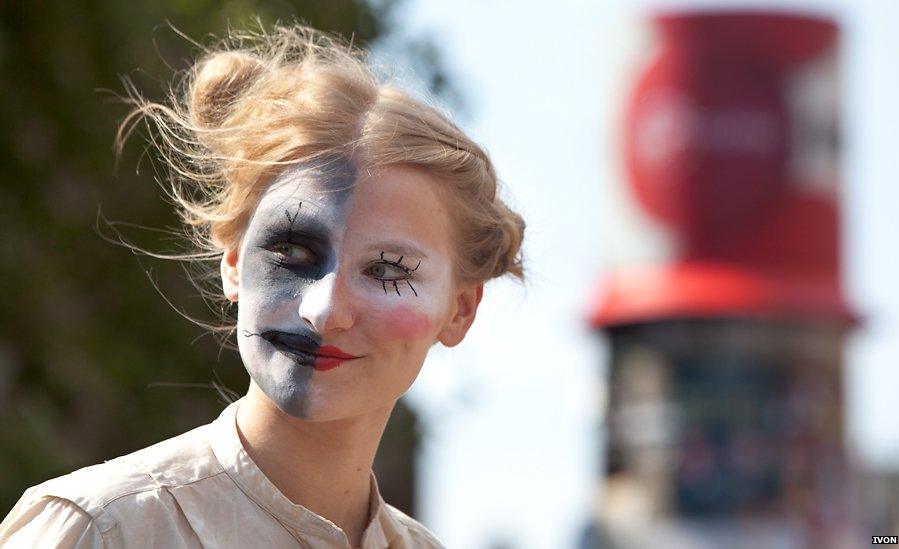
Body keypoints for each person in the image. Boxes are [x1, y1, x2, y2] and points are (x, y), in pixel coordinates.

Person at [0, 24, 525, 548]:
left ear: (460, 310)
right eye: (292, 253)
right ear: (233, 260)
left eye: (386, 270)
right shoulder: (101, 530)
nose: (323, 311)